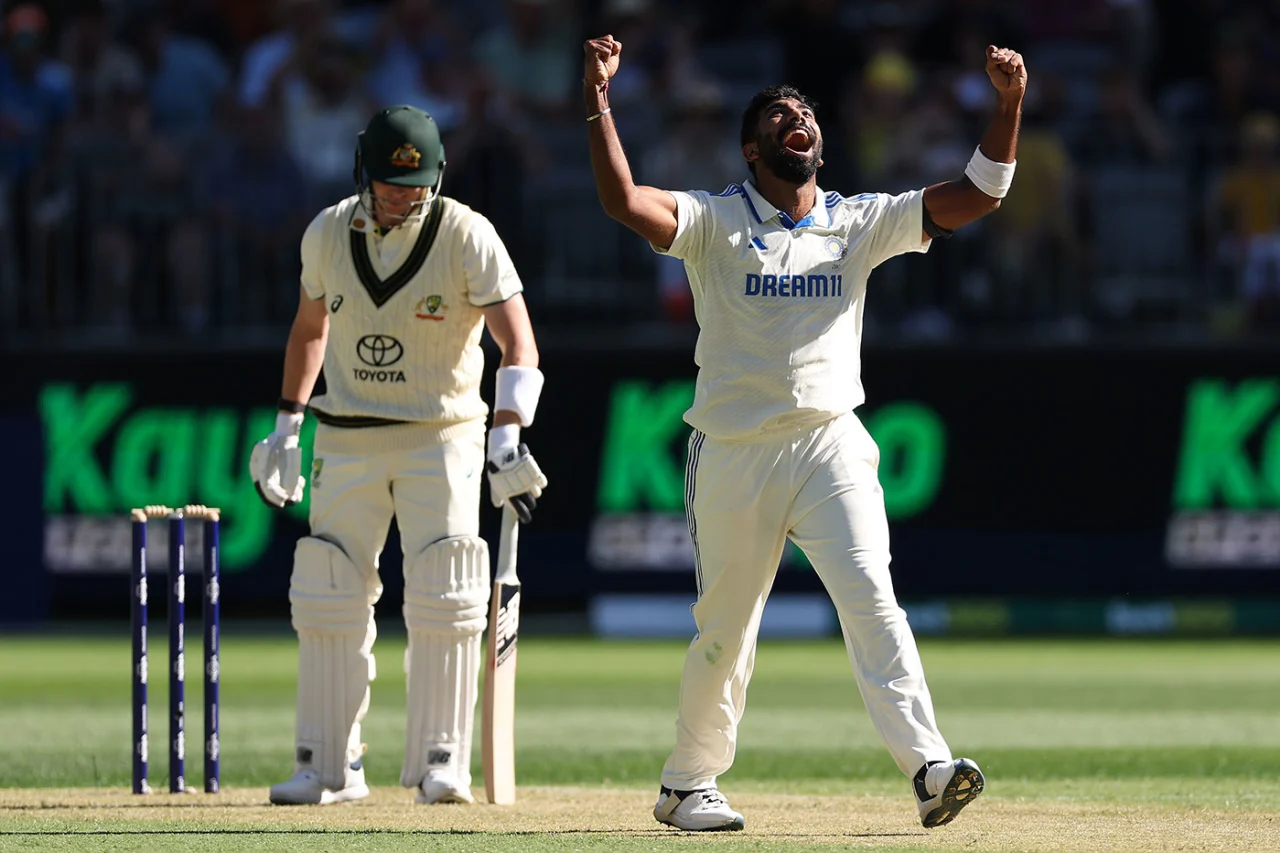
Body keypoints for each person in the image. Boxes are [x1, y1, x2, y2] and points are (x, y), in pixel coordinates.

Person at [582, 34, 1025, 832]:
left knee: (874, 601)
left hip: (831, 443)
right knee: (726, 631)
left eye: (807, 112)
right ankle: (687, 784)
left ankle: (930, 768)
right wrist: (599, 102)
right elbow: (621, 202)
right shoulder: (715, 220)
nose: (800, 118)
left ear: (817, 143)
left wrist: (1009, 105)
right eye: (781, 115)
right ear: (755, 149)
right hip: (736, 449)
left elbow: (980, 194)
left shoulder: (858, 221)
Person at [249, 104, 548, 806]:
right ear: (364, 173)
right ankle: (327, 766)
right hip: (346, 435)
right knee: (327, 592)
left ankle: (442, 760)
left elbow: (519, 343)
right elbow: (308, 330)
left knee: (447, 591)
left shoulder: (468, 234)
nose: (403, 196)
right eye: (389, 184)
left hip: (441, 433)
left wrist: (506, 434)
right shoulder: (327, 231)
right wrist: (287, 423)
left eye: (415, 185)